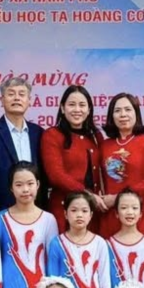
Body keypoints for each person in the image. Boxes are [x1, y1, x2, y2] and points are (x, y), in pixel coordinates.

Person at [0, 76, 49, 215]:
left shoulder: (38, 132)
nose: (16, 98)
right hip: (1, 212)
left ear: (29, 100)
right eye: (11, 94)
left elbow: (43, 177)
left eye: (22, 94)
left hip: (35, 212)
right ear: (1, 100)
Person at [0, 164, 58, 288]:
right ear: (11, 188)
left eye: (30, 183)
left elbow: (53, 261)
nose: (25, 189)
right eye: (19, 185)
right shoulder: (1, 219)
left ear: (38, 184)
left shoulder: (48, 219)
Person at [45, 191, 116, 288]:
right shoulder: (57, 243)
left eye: (84, 211)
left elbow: (105, 279)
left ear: (91, 215)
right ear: (65, 214)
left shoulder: (100, 243)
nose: (79, 215)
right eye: (74, 210)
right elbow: (52, 280)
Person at [97, 93, 144, 239]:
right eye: (117, 110)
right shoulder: (105, 145)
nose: (123, 115)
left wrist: (117, 199)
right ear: (111, 116)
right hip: (111, 213)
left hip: (139, 211)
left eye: (128, 109)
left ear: (136, 113)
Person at [40, 84, 103, 228]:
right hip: (65, 210)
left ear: (89, 110)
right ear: (62, 108)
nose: (77, 109)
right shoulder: (52, 135)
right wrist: (87, 194)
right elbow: (56, 175)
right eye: (72, 104)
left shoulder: (96, 136)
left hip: (93, 210)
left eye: (82, 105)